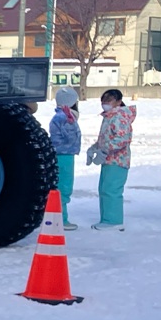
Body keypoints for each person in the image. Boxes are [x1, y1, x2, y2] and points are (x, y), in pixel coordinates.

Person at [86, 88, 135, 230]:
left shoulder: (120, 117)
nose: (105, 103)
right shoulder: (109, 117)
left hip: (117, 161)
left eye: (109, 100)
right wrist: (94, 148)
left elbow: (122, 139)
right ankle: (106, 219)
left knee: (111, 190)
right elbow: (106, 138)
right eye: (103, 100)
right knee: (104, 189)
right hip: (108, 160)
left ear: (118, 102)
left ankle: (113, 221)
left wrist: (105, 150)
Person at [49, 86, 81, 230]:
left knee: (60, 185)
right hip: (65, 155)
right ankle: (61, 219)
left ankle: (59, 218)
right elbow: (70, 138)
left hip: (60, 154)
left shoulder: (58, 116)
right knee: (64, 187)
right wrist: (71, 123)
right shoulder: (64, 118)